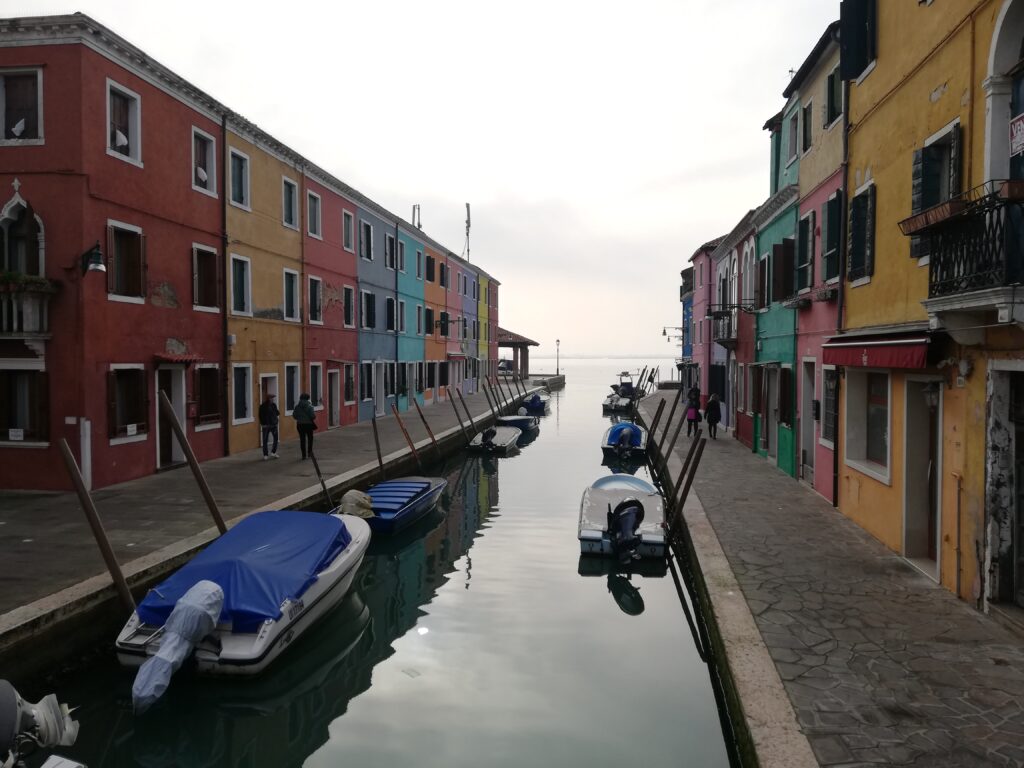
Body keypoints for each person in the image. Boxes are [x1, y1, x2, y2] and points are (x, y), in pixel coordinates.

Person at [292, 393, 317, 459]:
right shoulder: (310, 406)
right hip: (308, 424)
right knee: (310, 439)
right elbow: (313, 416)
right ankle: (309, 452)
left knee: (302, 439)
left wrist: (300, 418)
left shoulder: (297, 407)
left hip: (300, 425)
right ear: (308, 398)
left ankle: (303, 455)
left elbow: (294, 416)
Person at [258, 392, 279, 460]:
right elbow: (260, 416)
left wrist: (275, 417)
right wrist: (262, 424)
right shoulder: (263, 406)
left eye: (273, 398)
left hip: (273, 425)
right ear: (268, 398)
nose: (273, 399)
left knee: (276, 439)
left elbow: (277, 413)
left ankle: (273, 452)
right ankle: (265, 454)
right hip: (266, 425)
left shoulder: (274, 405)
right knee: (265, 440)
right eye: (272, 398)